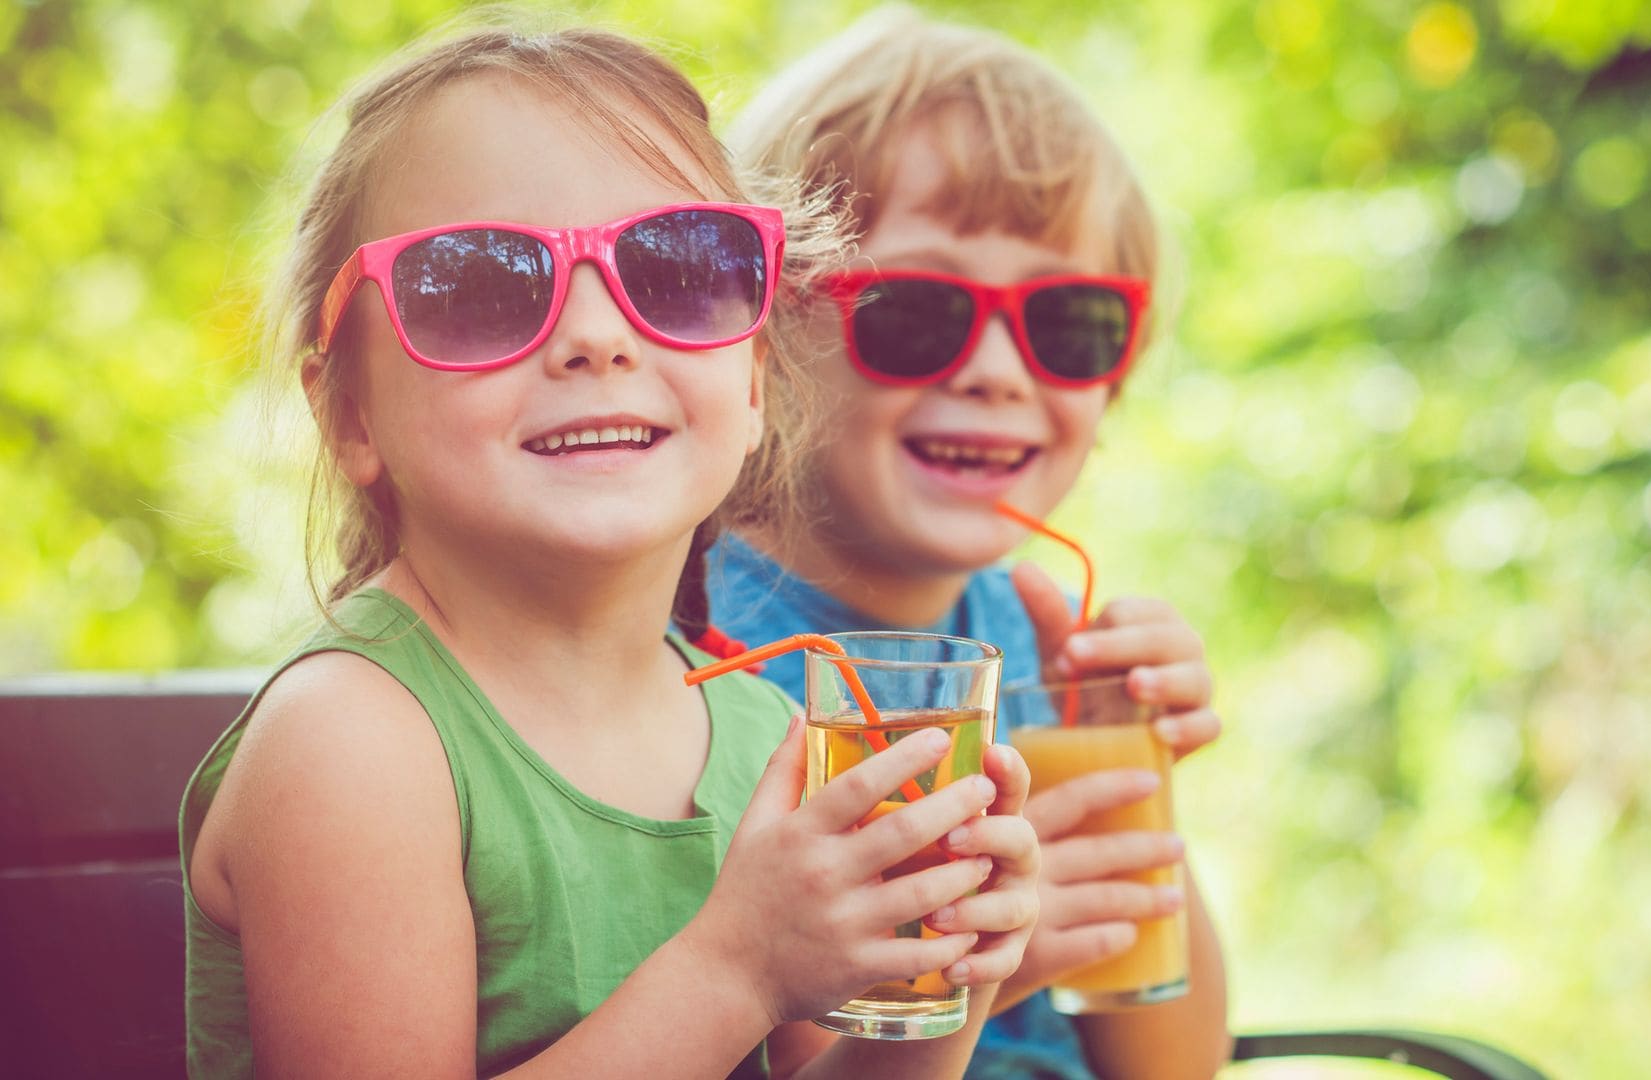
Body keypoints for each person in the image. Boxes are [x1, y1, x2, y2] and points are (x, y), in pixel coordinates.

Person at [178, 22, 1040, 1079]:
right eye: (482, 284)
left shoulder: (765, 731)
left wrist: (944, 982)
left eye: (680, 270)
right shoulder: (355, 746)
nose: (600, 336)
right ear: (351, 415)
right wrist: (737, 970)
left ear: (757, 382)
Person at [707, 7, 1231, 1078]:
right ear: (763, 331)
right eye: (916, 309)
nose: (998, 370)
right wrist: (991, 958)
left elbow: (1174, 1064)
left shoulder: (1033, 645)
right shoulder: (698, 654)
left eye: (1067, 322)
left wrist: (1138, 770)